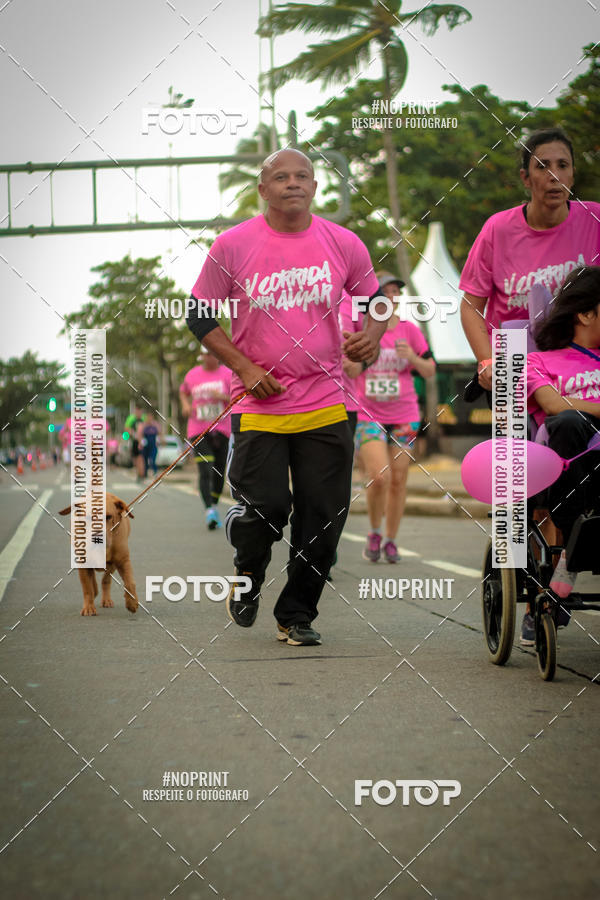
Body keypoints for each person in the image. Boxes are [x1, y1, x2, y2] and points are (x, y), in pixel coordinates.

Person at [186, 148, 386, 646]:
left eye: (302, 176)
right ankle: (247, 577)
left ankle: (296, 614)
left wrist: (374, 332)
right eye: (280, 176)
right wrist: (245, 367)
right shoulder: (232, 246)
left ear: (315, 186)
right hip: (258, 405)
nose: (292, 183)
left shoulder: (343, 242)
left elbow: (374, 300)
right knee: (267, 508)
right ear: (263, 188)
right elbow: (199, 316)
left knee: (323, 516)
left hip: (325, 399)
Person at [460, 127, 600, 392]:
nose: (554, 176)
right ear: (525, 178)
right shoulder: (497, 229)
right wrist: (488, 362)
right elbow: (470, 306)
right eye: (542, 167)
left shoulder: (595, 220)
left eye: (563, 165)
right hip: (513, 361)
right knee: (515, 434)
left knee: (575, 429)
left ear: (572, 175)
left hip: (582, 363)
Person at [524, 265, 600, 641]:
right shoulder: (540, 361)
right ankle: (569, 553)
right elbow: (552, 406)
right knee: (568, 421)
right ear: (586, 313)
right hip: (569, 462)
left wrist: (579, 402)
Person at [354, 274, 436, 563]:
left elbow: (429, 370)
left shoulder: (409, 331)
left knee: (399, 479)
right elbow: (348, 368)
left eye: (396, 292)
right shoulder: (363, 329)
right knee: (379, 477)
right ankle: (374, 532)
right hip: (368, 414)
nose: (392, 296)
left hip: (405, 414)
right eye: (386, 291)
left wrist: (412, 358)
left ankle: (390, 539)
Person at [180, 351, 232, 530]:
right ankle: (209, 509)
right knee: (205, 469)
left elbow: (240, 398)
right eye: (204, 354)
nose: (208, 357)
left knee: (218, 472)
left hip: (222, 429)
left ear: (217, 356)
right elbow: (183, 392)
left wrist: (222, 397)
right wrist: (186, 405)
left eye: (211, 354)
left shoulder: (228, 374)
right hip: (198, 429)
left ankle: (214, 505)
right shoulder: (192, 374)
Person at [125, 406, 145, 482]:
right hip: (135, 441)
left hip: (141, 441)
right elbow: (127, 428)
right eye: (137, 411)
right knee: (136, 459)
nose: (139, 413)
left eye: (140, 411)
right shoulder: (131, 419)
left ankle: (141, 474)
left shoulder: (143, 418)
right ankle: (139, 473)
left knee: (141, 458)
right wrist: (133, 434)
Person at [138, 412, 160, 479]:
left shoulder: (156, 425)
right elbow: (140, 435)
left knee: (152, 459)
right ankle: (145, 473)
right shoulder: (143, 425)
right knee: (145, 460)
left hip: (153, 445)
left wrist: (161, 441)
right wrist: (140, 443)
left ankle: (155, 472)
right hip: (145, 446)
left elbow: (160, 434)